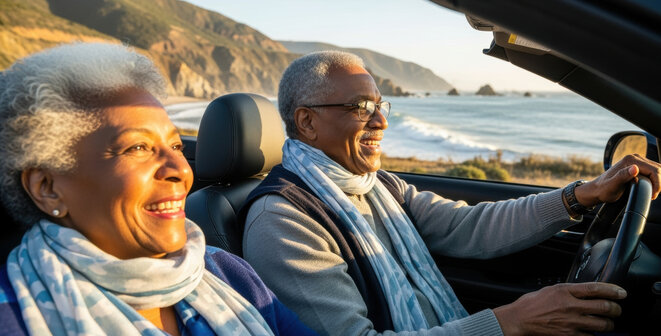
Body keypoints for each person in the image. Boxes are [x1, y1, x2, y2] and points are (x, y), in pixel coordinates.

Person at [241, 51, 661, 336]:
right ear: (308, 122)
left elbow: (468, 226)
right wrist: (508, 321)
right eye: (359, 108)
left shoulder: (380, 186)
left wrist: (580, 195)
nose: (380, 123)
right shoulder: (282, 221)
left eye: (379, 106)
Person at [0, 42, 316, 336]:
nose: (181, 170)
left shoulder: (227, 271)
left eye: (176, 145)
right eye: (138, 147)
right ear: (47, 188)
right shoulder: (11, 317)